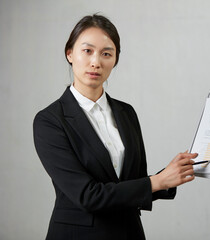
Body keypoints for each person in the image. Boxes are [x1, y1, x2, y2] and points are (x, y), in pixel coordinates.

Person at [33, 14, 198, 240]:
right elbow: (87, 196)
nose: (96, 62)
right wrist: (157, 181)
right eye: (87, 51)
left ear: (115, 60)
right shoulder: (50, 121)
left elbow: (133, 183)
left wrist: (172, 175)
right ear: (69, 54)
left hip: (128, 233)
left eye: (107, 54)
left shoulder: (126, 113)